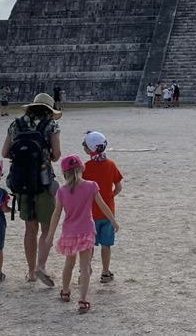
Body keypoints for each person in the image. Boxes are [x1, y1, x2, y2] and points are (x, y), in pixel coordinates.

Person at [46, 154, 119, 314]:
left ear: (64, 173)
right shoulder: (91, 186)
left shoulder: (62, 191)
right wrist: (113, 220)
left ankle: (65, 291)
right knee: (85, 267)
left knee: (69, 264)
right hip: (86, 231)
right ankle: (83, 300)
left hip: (69, 233)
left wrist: (50, 235)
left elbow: (56, 214)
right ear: (81, 169)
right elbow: (103, 205)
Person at [1, 92, 61, 285]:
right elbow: (57, 155)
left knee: (30, 228)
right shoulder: (51, 125)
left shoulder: (15, 125)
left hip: (21, 182)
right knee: (46, 228)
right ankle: (41, 265)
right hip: (43, 180)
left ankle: (31, 272)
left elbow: (4, 152)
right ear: (49, 110)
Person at [81, 131, 123, 284]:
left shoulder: (85, 167)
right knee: (106, 244)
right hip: (108, 212)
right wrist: (110, 196)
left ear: (89, 149)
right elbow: (118, 187)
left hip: (90, 213)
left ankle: (85, 270)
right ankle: (105, 272)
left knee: (89, 244)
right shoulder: (111, 164)